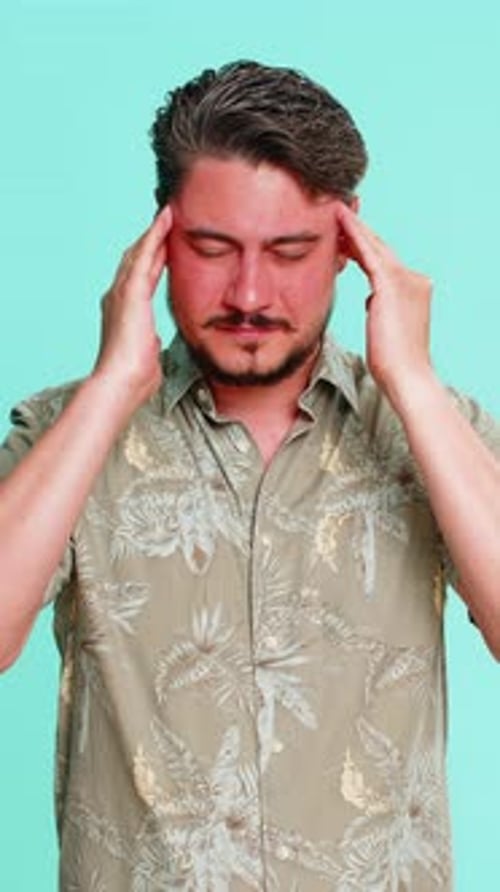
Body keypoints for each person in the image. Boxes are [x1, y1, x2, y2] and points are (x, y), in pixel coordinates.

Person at [1, 60, 499, 891]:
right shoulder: (65, 434)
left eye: (290, 251)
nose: (250, 292)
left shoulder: (436, 432)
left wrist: (411, 381)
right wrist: (111, 388)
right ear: (159, 239)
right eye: (211, 248)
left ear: (349, 245)